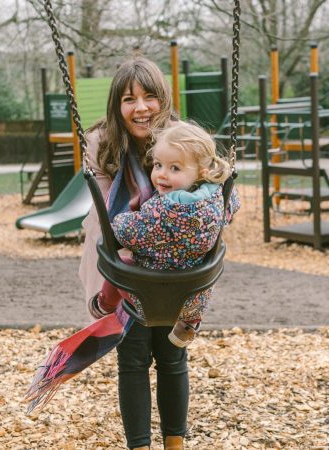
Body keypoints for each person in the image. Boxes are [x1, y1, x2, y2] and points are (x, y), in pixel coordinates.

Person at [78, 56, 196, 450]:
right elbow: (108, 216)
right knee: (132, 362)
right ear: (117, 105)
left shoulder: (183, 140)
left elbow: (205, 190)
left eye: (149, 97)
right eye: (129, 99)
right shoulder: (102, 143)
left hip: (174, 267)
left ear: (163, 98)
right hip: (124, 268)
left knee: (172, 358)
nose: (141, 108)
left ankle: (175, 444)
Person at [88, 122, 240, 348]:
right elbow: (234, 206)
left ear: (201, 172)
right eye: (158, 165)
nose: (161, 175)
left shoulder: (162, 212)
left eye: (175, 168)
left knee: (118, 263)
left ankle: (104, 305)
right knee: (198, 270)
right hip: (194, 297)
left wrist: (118, 221)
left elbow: (126, 232)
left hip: (152, 297)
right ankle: (189, 324)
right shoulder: (220, 195)